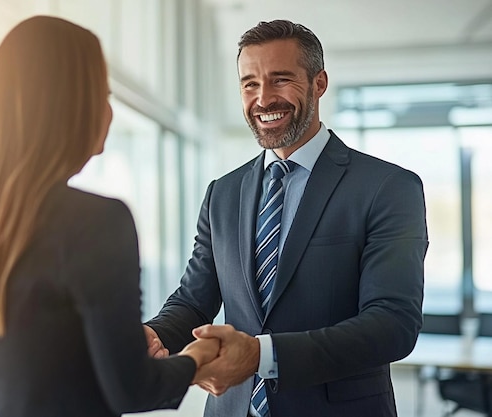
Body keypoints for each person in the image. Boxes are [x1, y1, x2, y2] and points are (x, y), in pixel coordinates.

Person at [144, 19, 428, 417]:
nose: (263, 99)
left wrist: (260, 354)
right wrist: (153, 334)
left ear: (319, 83)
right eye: (250, 84)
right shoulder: (222, 194)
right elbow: (193, 301)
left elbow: (392, 324)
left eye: (280, 79)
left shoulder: (387, 187)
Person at [0, 15, 219, 417]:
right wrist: (199, 358)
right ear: (68, 105)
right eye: (101, 94)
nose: (108, 111)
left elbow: (38, 362)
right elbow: (132, 389)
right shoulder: (96, 222)